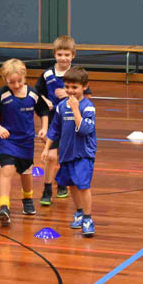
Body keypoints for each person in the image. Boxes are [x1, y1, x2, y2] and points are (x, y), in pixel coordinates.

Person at [0, 58, 50, 225]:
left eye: (19, 81)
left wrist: (44, 128)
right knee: (7, 170)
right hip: (7, 140)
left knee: (26, 172)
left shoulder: (32, 94)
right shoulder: (1, 95)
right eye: (12, 82)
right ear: (5, 80)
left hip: (26, 141)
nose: (16, 85)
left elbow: (43, 110)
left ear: (25, 77)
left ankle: (27, 199)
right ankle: (4, 206)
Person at [35, 35, 91, 206]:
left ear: (73, 55)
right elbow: (37, 93)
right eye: (60, 54)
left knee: (65, 155)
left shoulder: (77, 74)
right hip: (53, 120)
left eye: (67, 55)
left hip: (71, 120)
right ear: (54, 54)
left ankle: (62, 183)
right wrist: (45, 100)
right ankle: (47, 189)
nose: (63, 58)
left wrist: (67, 95)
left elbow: (87, 97)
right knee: (51, 156)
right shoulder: (47, 74)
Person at [41, 66, 97, 237]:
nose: (70, 91)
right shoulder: (61, 107)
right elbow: (54, 129)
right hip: (66, 153)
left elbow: (85, 130)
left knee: (83, 185)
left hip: (83, 154)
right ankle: (79, 212)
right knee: (72, 183)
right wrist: (46, 148)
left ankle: (88, 218)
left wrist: (75, 109)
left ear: (84, 86)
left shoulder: (88, 107)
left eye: (75, 87)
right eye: (67, 87)